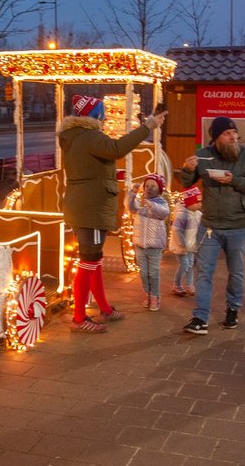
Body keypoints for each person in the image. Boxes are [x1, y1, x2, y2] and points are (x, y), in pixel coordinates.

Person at [59, 94, 167, 333]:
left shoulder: (75, 136)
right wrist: (147, 126)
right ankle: (79, 318)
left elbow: (95, 163)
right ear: (93, 114)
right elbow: (117, 149)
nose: (105, 115)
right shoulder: (89, 135)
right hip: (91, 207)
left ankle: (105, 308)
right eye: (102, 111)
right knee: (88, 262)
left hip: (83, 204)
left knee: (94, 260)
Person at [178, 116, 245, 335]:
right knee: (203, 272)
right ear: (216, 138)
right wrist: (187, 170)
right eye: (227, 134)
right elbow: (187, 183)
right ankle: (200, 318)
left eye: (234, 133)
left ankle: (233, 309)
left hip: (237, 225)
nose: (233, 137)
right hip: (210, 226)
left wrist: (233, 180)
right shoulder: (204, 155)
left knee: (236, 272)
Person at [127, 173, 170, 311]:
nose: (149, 188)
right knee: (144, 273)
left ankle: (155, 297)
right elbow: (131, 208)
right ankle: (147, 294)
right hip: (140, 244)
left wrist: (151, 205)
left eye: (153, 186)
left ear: (159, 189)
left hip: (154, 246)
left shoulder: (161, 202)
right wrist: (132, 194)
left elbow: (164, 213)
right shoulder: (141, 202)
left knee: (154, 273)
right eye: (147, 186)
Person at [169, 186, 202, 297]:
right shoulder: (182, 214)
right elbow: (176, 230)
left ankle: (189, 284)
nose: (200, 204)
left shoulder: (197, 214)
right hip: (181, 247)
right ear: (189, 203)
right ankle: (177, 285)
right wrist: (182, 244)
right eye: (197, 202)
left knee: (190, 265)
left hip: (191, 246)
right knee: (184, 264)